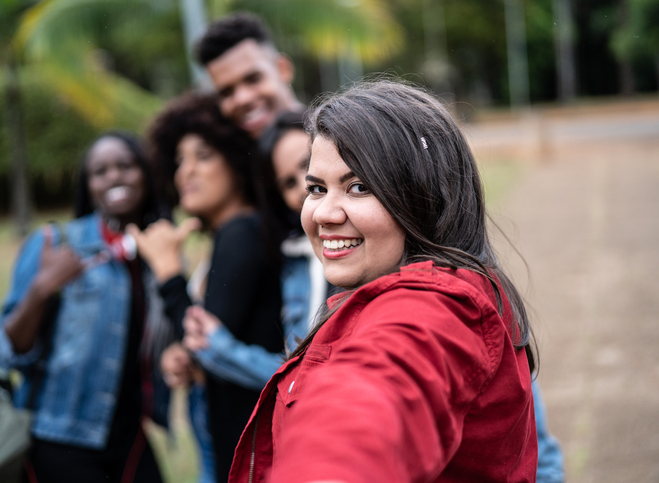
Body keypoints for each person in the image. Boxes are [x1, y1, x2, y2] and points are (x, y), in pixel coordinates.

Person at [228, 80, 539, 482]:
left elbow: (368, 410)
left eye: (358, 187)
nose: (324, 213)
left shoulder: (436, 307)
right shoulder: (446, 289)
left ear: (425, 196)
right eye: (316, 188)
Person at [0, 132, 172, 483]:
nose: (114, 176)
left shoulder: (157, 251)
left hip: (129, 434)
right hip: (60, 435)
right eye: (100, 171)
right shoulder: (54, 243)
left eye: (125, 165)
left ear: (145, 175)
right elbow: (4, 350)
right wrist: (42, 288)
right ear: (89, 187)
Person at [127, 92, 285, 483]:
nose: (186, 172)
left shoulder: (241, 231)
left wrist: (167, 271)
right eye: (179, 161)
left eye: (203, 156)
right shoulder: (234, 233)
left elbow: (201, 333)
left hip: (241, 446)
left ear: (236, 161)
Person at [181, 111, 329, 389]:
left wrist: (218, 349)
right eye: (287, 182)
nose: (303, 185)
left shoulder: (351, 253)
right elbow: (299, 372)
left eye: (307, 164)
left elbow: (306, 378)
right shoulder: (295, 258)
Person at [195, 11, 303, 140]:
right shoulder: (234, 156)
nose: (242, 99)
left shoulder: (329, 140)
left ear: (283, 69)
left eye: (253, 79)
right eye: (226, 92)